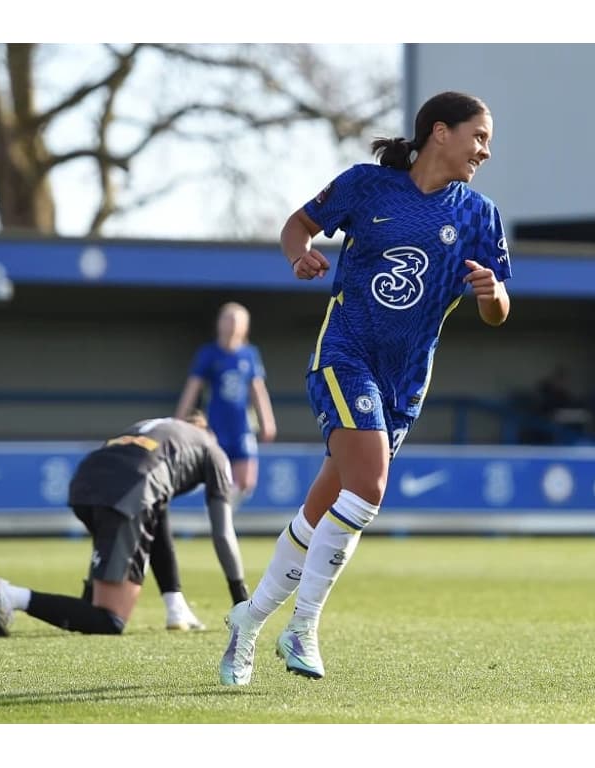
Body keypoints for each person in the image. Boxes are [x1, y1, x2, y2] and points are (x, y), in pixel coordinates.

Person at [218, 91, 512, 686]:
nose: (485, 151)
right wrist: (299, 254)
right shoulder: (366, 186)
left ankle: (246, 625)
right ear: (439, 132)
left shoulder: (479, 214)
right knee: (370, 488)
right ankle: (302, 627)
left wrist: (491, 296)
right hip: (345, 354)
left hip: (406, 381)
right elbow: (298, 225)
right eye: (479, 136)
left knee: (326, 506)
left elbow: (500, 308)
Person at [0, 411, 235, 637]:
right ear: (207, 431)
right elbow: (223, 533)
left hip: (85, 483)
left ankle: (177, 610)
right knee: (110, 619)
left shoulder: (158, 430)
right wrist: (243, 603)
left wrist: (174, 605)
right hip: (128, 491)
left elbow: (157, 519)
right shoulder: (211, 447)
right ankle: (10, 596)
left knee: (90, 604)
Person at [175, 301, 276, 605]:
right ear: (219, 323)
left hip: (243, 429)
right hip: (216, 429)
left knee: (246, 482)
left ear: (244, 326)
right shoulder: (208, 354)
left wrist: (267, 420)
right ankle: (222, 526)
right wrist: (179, 421)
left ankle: (222, 520)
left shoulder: (249, 354)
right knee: (222, 478)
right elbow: (193, 388)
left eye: (237, 320)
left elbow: (257, 390)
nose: (232, 325)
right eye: (227, 319)